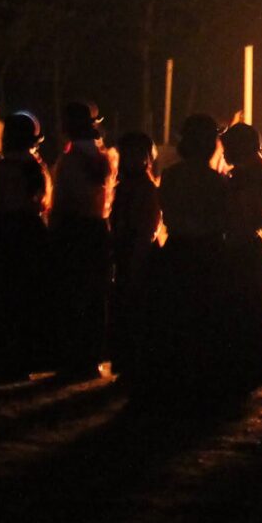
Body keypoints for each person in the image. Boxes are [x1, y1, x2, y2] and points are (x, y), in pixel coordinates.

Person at [142, 113, 238, 405]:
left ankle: (172, 382)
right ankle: (202, 383)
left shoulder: (171, 176)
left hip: (178, 252)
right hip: (208, 255)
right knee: (205, 323)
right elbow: (224, 220)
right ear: (211, 144)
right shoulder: (218, 183)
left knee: (176, 321)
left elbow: (167, 213)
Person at [0, 110, 51, 383]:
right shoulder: (37, 168)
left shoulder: (4, 169)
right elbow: (44, 206)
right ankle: (24, 360)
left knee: (0, 300)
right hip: (30, 234)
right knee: (27, 299)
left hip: (4, 235)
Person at [47, 102, 116, 380]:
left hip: (73, 229)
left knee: (71, 295)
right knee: (94, 297)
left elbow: (64, 201)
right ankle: (90, 359)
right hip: (97, 229)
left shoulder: (72, 160)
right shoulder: (104, 157)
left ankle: (72, 359)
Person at [220, 120, 262, 391]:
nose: (223, 151)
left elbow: (239, 218)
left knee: (241, 311)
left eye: (227, 146)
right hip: (249, 251)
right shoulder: (251, 175)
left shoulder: (243, 180)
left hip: (240, 252)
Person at [107, 132, 162, 383]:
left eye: (133, 154)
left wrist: (135, 261)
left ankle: (135, 368)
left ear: (145, 159)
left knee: (136, 312)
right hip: (125, 254)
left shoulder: (144, 188)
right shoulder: (126, 186)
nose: (126, 160)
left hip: (138, 257)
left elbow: (146, 229)